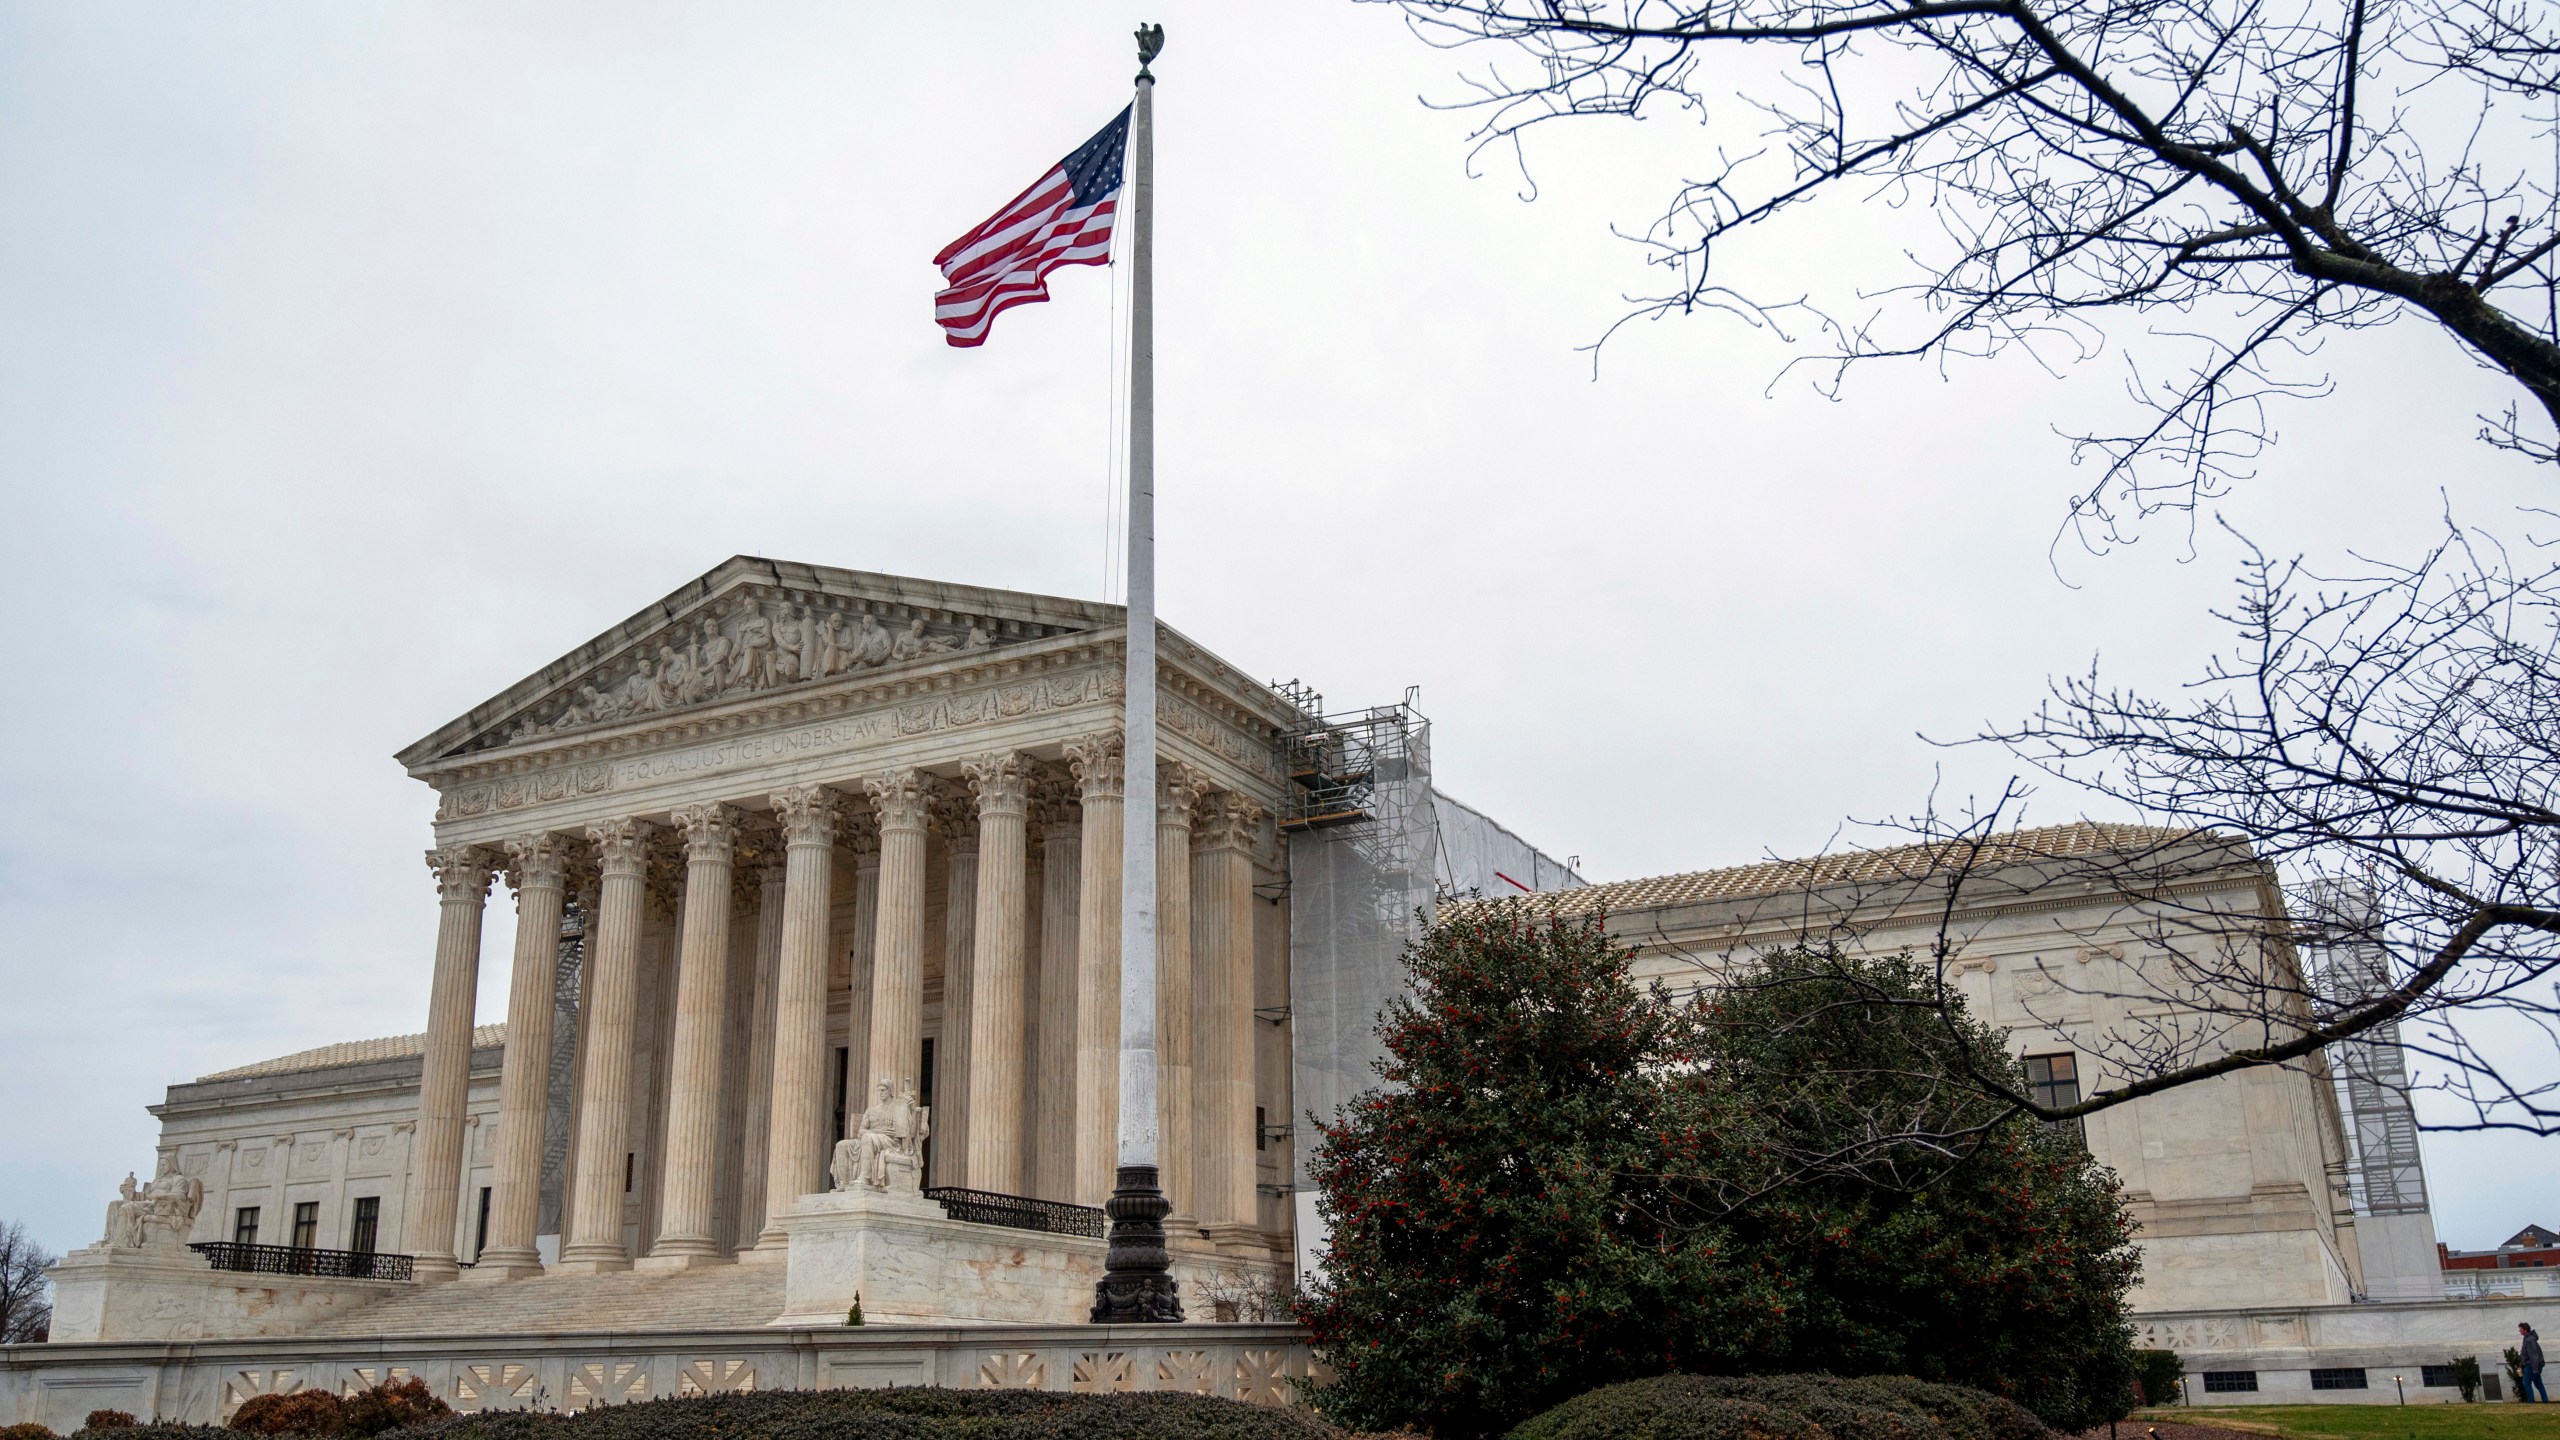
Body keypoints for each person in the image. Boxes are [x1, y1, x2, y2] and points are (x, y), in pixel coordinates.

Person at [2525, 1322, 2549, 1403]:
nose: (2519, 1331)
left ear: (2525, 1330)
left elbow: (2533, 1356)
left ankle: (2531, 1401)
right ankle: (2545, 1400)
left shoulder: (2529, 1340)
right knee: (2538, 1383)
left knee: (2526, 1383)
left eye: (2520, 1329)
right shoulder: (2528, 1339)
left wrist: (2535, 1369)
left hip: (2531, 1365)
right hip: (2535, 1365)